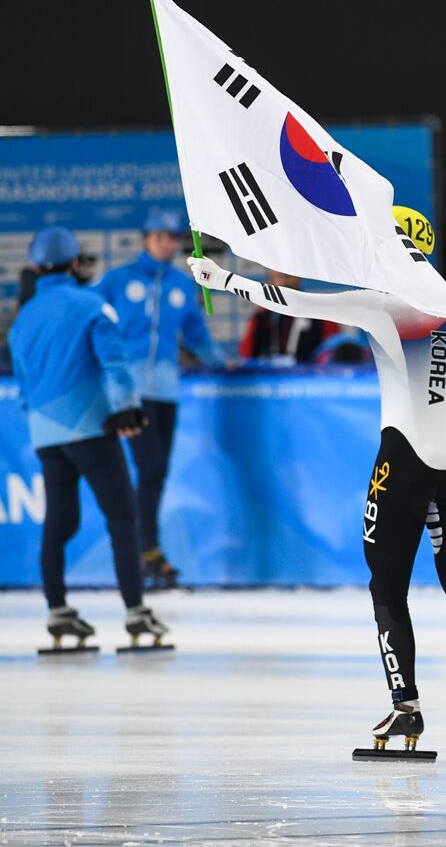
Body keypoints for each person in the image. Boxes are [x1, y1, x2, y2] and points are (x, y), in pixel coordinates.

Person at [188, 207, 446, 754]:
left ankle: (406, 710)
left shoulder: (382, 303)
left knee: (387, 588)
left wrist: (226, 279)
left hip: (403, 458)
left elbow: (295, 301)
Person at [9, 228, 167, 651]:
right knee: (122, 517)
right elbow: (114, 363)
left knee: (59, 523)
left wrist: (41, 420)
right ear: (75, 264)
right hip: (89, 428)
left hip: (46, 435)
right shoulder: (90, 305)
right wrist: (127, 408)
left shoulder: (22, 317)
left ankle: (57, 611)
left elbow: (21, 384)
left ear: (37, 267)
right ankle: (136, 611)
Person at [95, 210, 234, 588]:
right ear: (144, 239)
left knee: (155, 472)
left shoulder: (178, 284)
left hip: (166, 390)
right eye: (158, 236)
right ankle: (146, 550)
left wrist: (224, 363)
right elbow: (91, 320)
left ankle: (146, 551)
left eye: (171, 237)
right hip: (131, 392)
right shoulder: (118, 281)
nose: (166, 243)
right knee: (151, 467)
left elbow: (197, 336)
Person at [241, 269, 337, 363]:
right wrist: (258, 317)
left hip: (308, 376)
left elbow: (333, 354)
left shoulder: (320, 313)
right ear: (269, 278)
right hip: (271, 376)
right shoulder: (263, 315)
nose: (282, 281)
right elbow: (247, 354)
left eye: (286, 276)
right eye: (278, 276)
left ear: (299, 276)